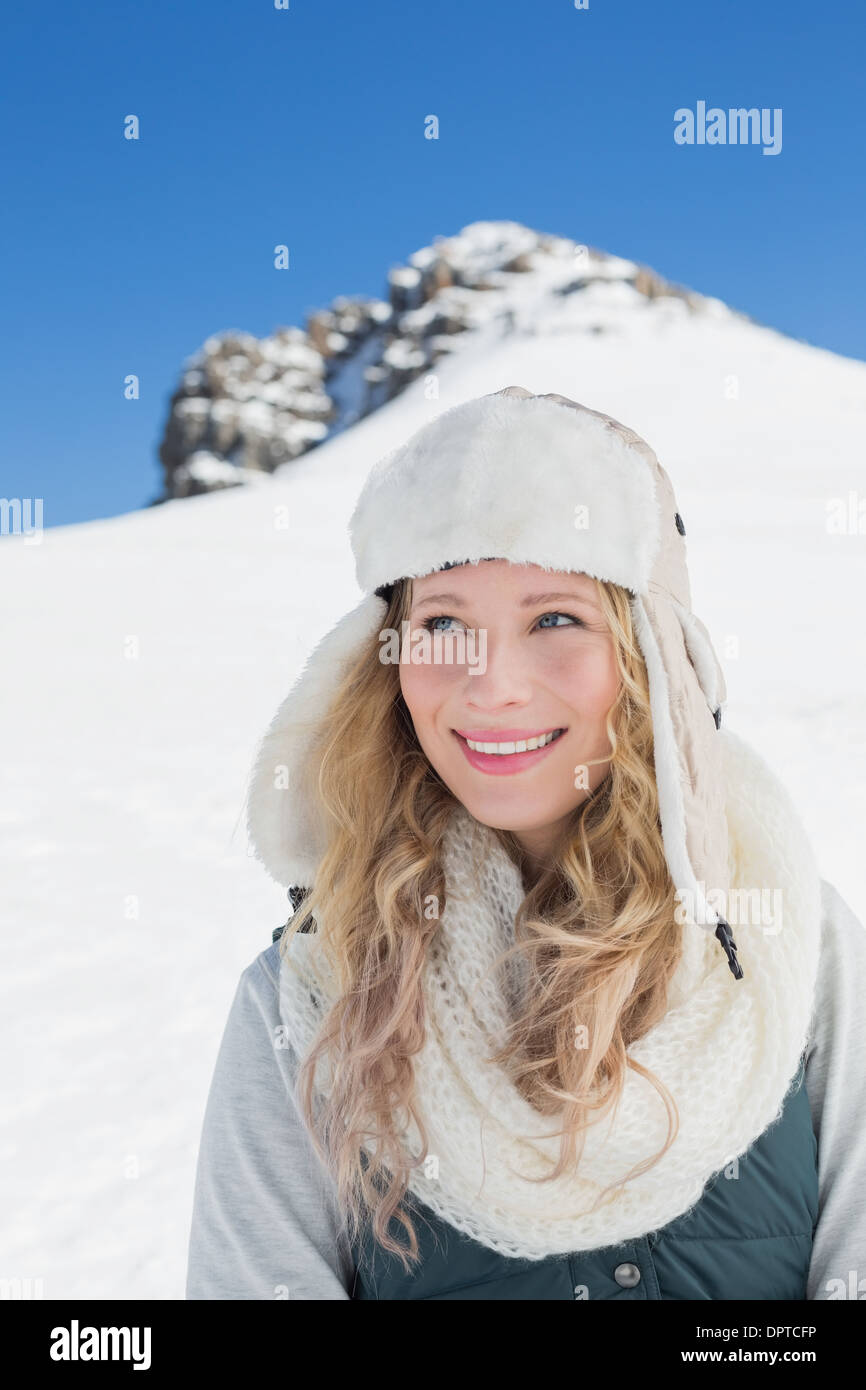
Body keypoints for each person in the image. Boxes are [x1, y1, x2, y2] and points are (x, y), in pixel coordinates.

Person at [185, 385, 866, 1300]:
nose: (490, 684)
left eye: (555, 619)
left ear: (649, 655)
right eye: (442, 624)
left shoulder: (794, 945)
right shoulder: (308, 994)